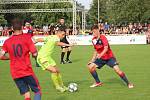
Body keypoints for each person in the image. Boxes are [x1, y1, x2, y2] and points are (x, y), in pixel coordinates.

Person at [0, 17, 41, 100]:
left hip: (15, 73)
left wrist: (9, 58)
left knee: (26, 93)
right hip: (26, 70)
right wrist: (34, 55)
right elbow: (35, 53)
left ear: (12, 28)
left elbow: (1, 56)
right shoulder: (27, 38)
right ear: (22, 27)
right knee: (37, 91)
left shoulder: (7, 41)